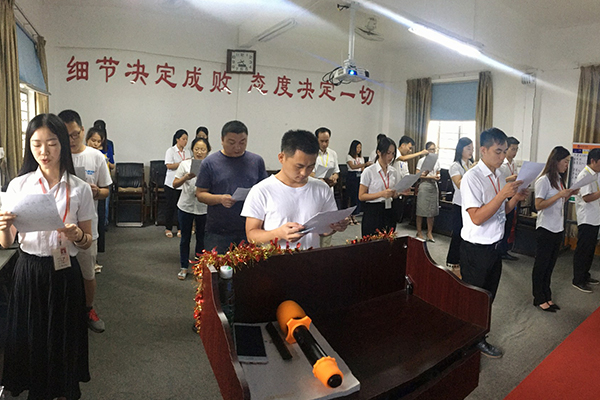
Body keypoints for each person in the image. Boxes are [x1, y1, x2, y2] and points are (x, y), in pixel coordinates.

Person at [0, 113, 95, 399]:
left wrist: (77, 235)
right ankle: (37, 388)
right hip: (29, 270)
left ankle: (63, 388)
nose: (44, 152)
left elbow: (88, 242)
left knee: (62, 335)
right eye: (37, 144)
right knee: (31, 335)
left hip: (64, 271)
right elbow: (7, 242)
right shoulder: (19, 186)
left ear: (63, 144)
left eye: (52, 143)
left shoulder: (79, 189)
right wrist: (3, 228)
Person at [460, 127, 528, 358]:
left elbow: (501, 211)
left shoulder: (499, 176)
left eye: (504, 151)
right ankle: (469, 342)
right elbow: (477, 218)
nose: (503, 156)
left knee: (488, 296)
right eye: (498, 151)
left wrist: (515, 198)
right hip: (475, 249)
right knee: (474, 299)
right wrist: (501, 195)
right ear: (483, 150)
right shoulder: (472, 178)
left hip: (495, 247)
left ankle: (478, 337)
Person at [242, 130, 348, 250]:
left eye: (310, 166)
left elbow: (324, 231)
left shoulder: (322, 189)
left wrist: (335, 226)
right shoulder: (262, 190)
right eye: (299, 166)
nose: (304, 173)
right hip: (276, 259)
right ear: (281, 158)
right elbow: (251, 235)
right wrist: (278, 234)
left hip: (310, 257)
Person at [59, 109, 112, 334]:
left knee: (87, 273)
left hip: (87, 227)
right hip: (59, 228)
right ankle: (65, 313)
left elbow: (106, 190)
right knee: (61, 274)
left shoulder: (96, 156)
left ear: (82, 130)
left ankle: (89, 309)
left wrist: (96, 191)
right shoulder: (56, 155)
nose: (71, 140)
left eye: (75, 134)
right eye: (65, 136)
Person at [195, 120, 268, 253]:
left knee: (249, 265)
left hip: (249, 228)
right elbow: (200, 194)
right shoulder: (210, 163)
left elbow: (264, 191)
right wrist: (220, 199)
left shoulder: (256, 161)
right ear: (222, 140)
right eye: (232, 142)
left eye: (242, 142)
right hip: (218, 230)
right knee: (218, 264)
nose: (237, 147)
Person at [533, 146, 578, 311]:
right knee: (542, 265)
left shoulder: (559, 179)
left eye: (568, 162)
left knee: (550, 265)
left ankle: (547, 295)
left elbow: (558, 203)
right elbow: (538, 205)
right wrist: (559, 195)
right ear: (556, 161)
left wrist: (568, 195)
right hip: (545, 228)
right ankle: (539, 298)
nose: (567, 165)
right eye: (565, 161)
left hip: (557, 228)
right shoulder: (543, 180)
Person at [173, 137, 210, 280]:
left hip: (203, 207)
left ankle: (199, 267)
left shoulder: (211, 166)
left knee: (201, 238)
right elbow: (175, 184)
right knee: (185, 238)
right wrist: (186, 177)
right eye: (197, 149)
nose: (199, 152)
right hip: (186, 206)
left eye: (203, 149)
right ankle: (183, 267)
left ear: (208, 151)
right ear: (192, 150)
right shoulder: (185, 164)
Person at [359, 137, 402, 237]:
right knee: (372, 241)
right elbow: (361, 196)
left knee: (389, 240)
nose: (390, 157)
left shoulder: (393, 171)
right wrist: (381, 194)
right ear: (378, 152)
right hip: (373, 210)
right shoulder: (369, 171)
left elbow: (395, 193)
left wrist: (397, 193)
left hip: (389, 209)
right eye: (388, 153)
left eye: (393, 153)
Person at [572, 148, 600, 293]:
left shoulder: (595, 174)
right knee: (583, 250)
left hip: (595, 218)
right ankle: (578, 279)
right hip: (586, 219)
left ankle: (585, 275)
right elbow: (587, 197)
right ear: (593, 161)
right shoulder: (585, 175)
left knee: (590, 250)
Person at [445, 137, 474, 275]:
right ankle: (453, 261)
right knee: (457, 233)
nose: (471, 151)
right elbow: (459, 184)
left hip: (471, 204)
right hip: (459, 204)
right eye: (468, 148)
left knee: (468, 235)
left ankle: (464, 260)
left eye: (472, 148)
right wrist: (471, 171)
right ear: (460, 149)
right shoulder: (455, 166)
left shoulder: (471, 164)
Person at [311, 127, 340, 247]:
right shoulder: (311, 153)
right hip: (314, 195)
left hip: (328, 194)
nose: (324, 144)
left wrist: (334, 178)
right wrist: (320, 179)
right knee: (315, 228)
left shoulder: (332, 154)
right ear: (316, 140)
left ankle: (325, 251)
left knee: (328, 226)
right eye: (321, 141)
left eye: (327, 141)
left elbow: (336, 172)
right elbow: (309, 173)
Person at [164, 129, 190, 238]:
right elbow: (169, 165)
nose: (185, 141)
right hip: (171, 183)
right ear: (177, 139)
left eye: (186, 139)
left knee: (182, 207)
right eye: (183, 139)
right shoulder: (171, 151)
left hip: (183, 183)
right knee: (170, 207)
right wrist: (182, 164)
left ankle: (180, 228)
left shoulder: (187, 152)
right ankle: (168, 228)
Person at [498, 136, 521, 260]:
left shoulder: (514, 163)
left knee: (509, 224)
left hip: (512, 196)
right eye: (513, 149)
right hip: (503, 196)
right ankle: (500, 250)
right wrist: (510, 178)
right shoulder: (501, 163)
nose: (515, 152)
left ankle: (504, 249)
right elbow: (499, 179)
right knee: (503, 223)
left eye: (517, 149)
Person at [415, 142, 441, 242]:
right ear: (426, 150)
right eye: (431, 149)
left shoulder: (437, 161)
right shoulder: (422, 161)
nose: (433, 151)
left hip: (433, 185)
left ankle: (429, 232)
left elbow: (438, 173)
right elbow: (418, 175)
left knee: (432, 211)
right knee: (421, 210)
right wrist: (430, 176)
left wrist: (437, 177)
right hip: (424, 185)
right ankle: (419, 231)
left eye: (434, 149)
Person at [346, 140, 371, 224]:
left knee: (357, 197)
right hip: (352, 177)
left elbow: (362, 169)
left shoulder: (361, 158)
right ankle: (349, 216)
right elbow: (352, 166)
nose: (359, 149)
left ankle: (354, 216)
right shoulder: (349, 157)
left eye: (360, 147)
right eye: (357, 147)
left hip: (359, 177)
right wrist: (365, 164)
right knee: (351, 197)